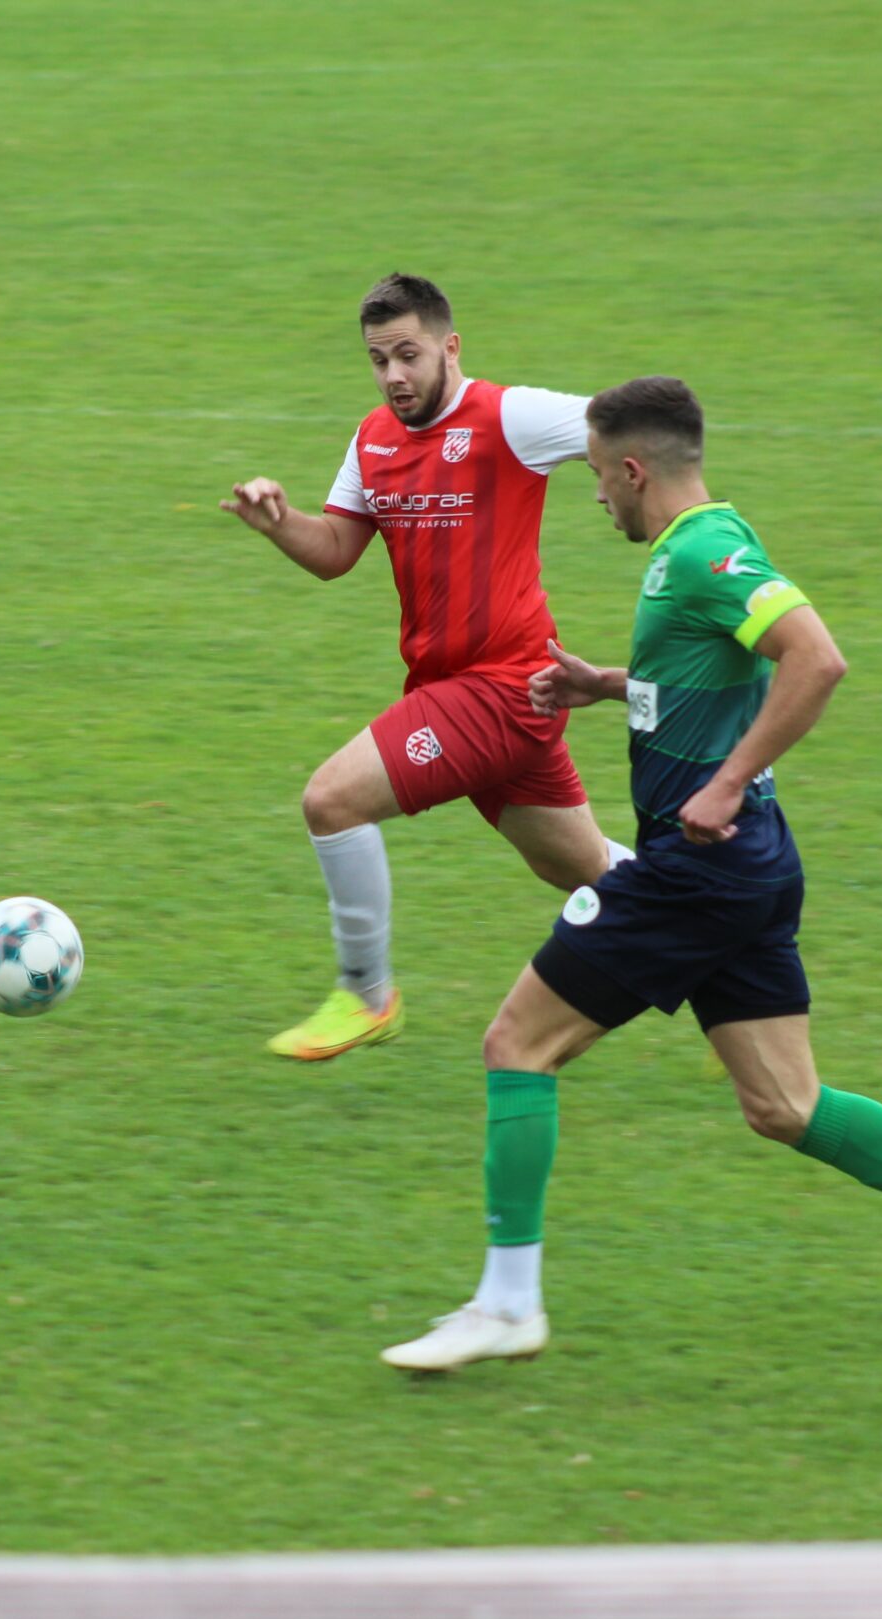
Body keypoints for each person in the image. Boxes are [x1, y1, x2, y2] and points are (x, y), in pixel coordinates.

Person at [380, 377, 882, 1373]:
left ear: (631, 469)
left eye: (595, 477)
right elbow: (720, 670)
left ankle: (509, 1304)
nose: (593, 496)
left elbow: (815, 659)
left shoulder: (701, 553)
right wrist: (608, 685)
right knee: (784, 1105)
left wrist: (727, 781)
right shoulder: (701, 545)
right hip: (748, 866)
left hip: (697, 868)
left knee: (516, 1044)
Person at [222, 273, 628, 1061]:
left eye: (408, 355)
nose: (394, 376)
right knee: (591, 871)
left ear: (450, 347)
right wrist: (278, 523)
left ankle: (366, 995)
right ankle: (727, 942)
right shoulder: (373, 439)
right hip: (458, 691)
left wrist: (624, 489)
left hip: (503, 688)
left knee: (332, 800)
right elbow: (335, 550)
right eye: (379, 360)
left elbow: (620, 427)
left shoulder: (507, 417)